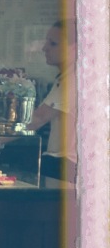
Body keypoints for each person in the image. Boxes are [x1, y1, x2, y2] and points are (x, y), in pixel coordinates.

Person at [27, 19, 76, 181]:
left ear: (75, 48)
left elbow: (38, 118)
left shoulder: (74, 80)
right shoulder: (67, 77)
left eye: (53, 44)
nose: (44, 48)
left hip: (66, 164)